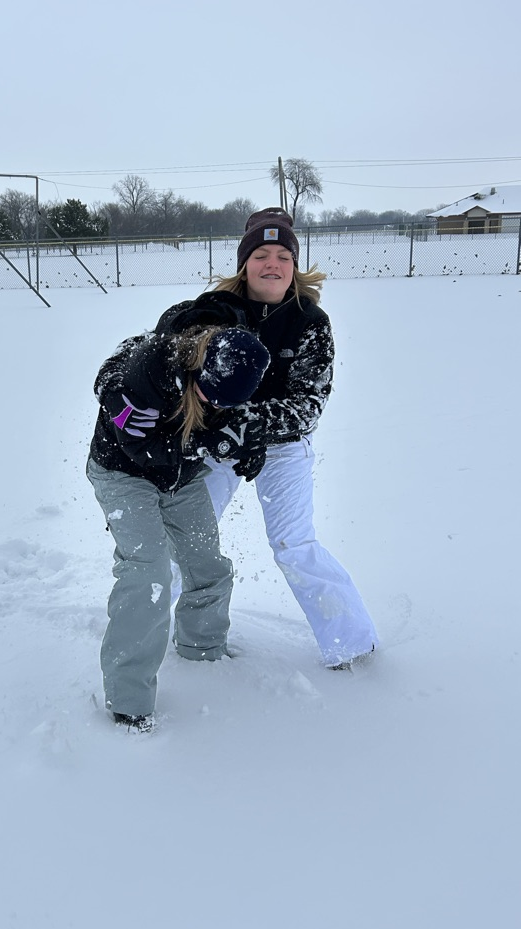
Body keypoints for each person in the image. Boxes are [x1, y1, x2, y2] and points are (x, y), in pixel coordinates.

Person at [156, 208, 379, 670]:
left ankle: (351, 643)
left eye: (282, 255)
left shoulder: (310, 321)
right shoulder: (213, 310)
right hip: (217, 442)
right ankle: (150, 628)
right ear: (245, 263)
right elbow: (184, 376)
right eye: (261, 254)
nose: (272, 264)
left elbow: (307, 404)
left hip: (282, 446)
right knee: (185, 538)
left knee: (294, 544)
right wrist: (220, 429)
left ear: (294, 264)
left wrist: (250, 424)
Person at [87, 313, 271, 731]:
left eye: (226, 404)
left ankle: (202, 651)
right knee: (147, 571)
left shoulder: (233, 382)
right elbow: (143, 452)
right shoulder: (152, 370)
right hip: (123, 474)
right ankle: (128, 696)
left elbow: (237, 424)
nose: (214, 407)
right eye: (209, 398)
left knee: (207, 563)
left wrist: (246, 447)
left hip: (182, 479)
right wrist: (209, 443)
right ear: (199, 370)